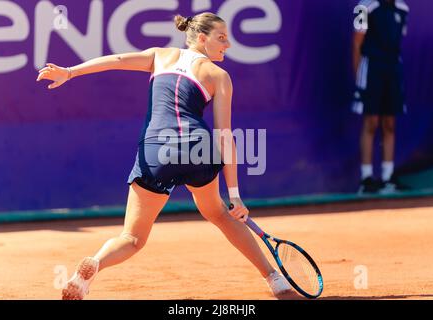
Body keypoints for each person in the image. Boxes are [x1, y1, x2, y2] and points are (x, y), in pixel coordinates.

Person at [37, 12, 292, 299]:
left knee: (132, 238)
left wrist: (69, 72)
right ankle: (275, 280)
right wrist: (235, 195)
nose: (228, 44)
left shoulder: (160, 55)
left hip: (156, 151)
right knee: (220, 214)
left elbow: (116, 61)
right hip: (197, 149)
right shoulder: (219, 76)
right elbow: (225, 135)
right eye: (222, 37)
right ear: (202, 38)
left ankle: (94, 266)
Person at [352, 0, 410, 193]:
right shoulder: (364, 7)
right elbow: (357, 43)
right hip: (371, 70)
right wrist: (358, 77)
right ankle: (366, 179)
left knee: (390, 123)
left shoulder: (403, 9)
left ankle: (387, 177)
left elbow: (397, 40)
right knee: (371, 122)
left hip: (392, 70)